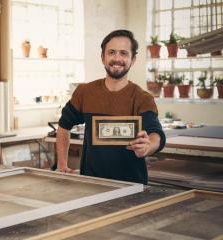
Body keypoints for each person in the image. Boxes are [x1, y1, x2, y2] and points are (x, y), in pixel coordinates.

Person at [56, 29, 165, 185]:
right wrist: (62, 165)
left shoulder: (142, 98)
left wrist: (148, 147)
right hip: (91, 184)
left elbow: (156, 134)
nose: (117, 58)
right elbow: (63, 126)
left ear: (133, 60)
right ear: (103, 57)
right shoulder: (85, 93)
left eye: (123, 53)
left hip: (132, 186)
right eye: (111, 52)